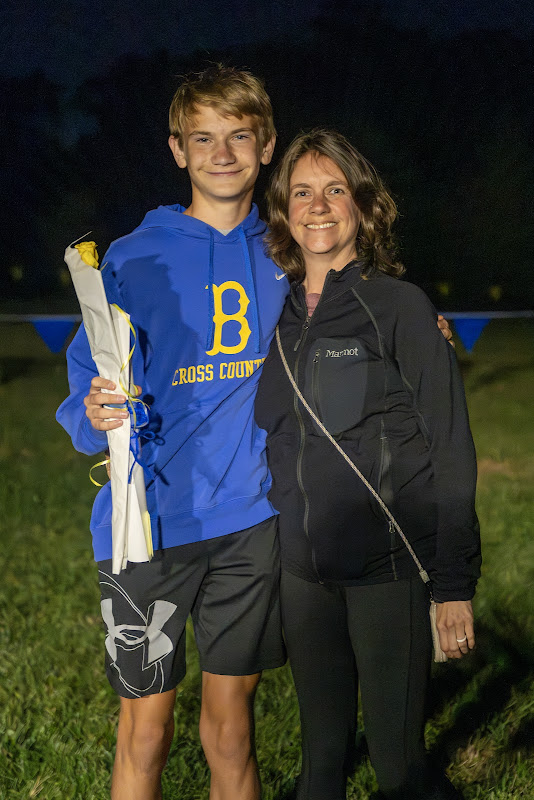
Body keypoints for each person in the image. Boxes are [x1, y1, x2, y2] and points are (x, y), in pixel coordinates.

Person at [57, 66, 454, 800]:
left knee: (231, 725)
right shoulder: (132, 257)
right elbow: (87, 376)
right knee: (145, 728)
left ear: (267, 145)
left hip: (251, 526)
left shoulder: (281, 249)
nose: (222, 153)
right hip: (147, 527)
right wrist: (92, 412)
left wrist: (417, 327)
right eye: (203, 138)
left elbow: (349, 293)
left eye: (240, 136)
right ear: (177, 149)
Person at [254, 129, 481, 800]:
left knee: (397, 768)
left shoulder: (400, 307)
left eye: (335, 190)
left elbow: (452, 451)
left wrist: (453, 583)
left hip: (386, 568)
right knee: (320, 763)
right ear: (283, 210)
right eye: (302, 192)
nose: (318, 206)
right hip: (302, 574)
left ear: (364, 205)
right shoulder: (276, 313)